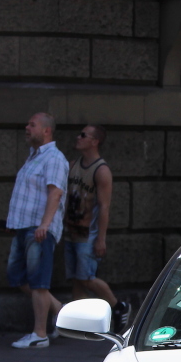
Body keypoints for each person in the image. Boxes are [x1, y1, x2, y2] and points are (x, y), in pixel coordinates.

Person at [6, 112, 69, 349]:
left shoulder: (53, 158)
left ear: (46, 130)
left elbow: (55, 193)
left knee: (39, 282)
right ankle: (60, 312)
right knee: (19, 277)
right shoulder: (33, 158)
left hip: (39, 228)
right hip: (24, 227)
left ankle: (39, 334)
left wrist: (44, 225)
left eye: (32, 124)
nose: (26, 127)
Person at [64, 124, 129, 333]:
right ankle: (79, 323)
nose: (78, 137)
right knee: (77, 280)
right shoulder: (73, 165)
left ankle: (117, 305)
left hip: (87, 235)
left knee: (86, 277)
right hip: (71, 231)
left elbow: (104, 207)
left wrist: (101, 238)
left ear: (95, 141)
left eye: (83, 135)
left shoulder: (101, 171)